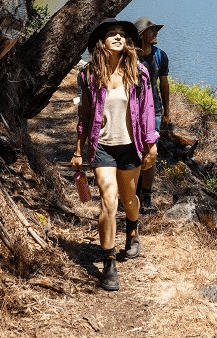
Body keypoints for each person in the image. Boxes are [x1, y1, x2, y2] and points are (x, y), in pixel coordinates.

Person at [71, 18, 158, 291]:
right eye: (112, 34)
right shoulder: (88, 76)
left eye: (122, 34)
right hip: (103, 147)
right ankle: (109, 261)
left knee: (129, 199)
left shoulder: (139, 73)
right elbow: (84, 114)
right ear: (102, 42)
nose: (119, 37)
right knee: (109, 199)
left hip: (131, 146)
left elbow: (146, 111)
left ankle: (132, 229)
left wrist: (151, 143)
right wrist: (77, 149)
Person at [133, 16, 170, 213]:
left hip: (154, 110)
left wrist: (166, 112)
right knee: (132, 152)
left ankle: (147, 196)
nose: (155, 34)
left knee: (151, 153)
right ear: (141, 35)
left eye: (155, 30)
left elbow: (164, 84)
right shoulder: (129, 56)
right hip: (131, 111)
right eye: (151, 31)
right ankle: (132, 193)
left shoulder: (160, 56)